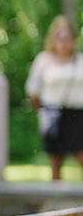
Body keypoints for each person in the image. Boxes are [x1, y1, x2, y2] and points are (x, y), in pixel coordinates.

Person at [26, 15, 83, 180]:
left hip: (78, 115)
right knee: (56, 161)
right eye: (60, 37)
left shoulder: (80, 61)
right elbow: (33, 90)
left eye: (67, 38)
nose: (64, 42)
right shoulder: (43, 60)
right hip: (53, 114)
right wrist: (43, 112)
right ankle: (56, 198)